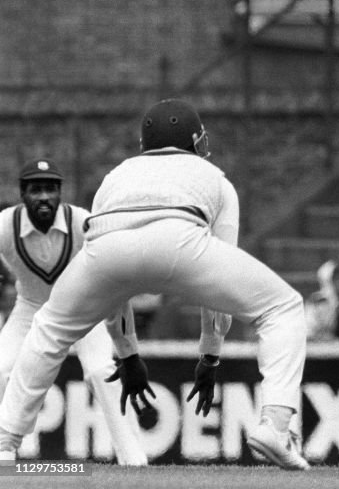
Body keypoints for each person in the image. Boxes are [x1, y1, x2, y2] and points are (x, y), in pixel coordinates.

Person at [0, 100, 309, 470]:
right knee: (282, 307)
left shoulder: (114, 177)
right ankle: (275, 424)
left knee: (47, 330)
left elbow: (113, 291)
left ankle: (5, 439)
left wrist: (128, 354)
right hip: (180, 242)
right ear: (195, 141)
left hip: (107, 252)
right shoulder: (216, 179)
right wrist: (209, 356)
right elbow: (220, 297)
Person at [0, 160, 147, 466]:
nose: (44, 197)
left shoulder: (84, 223)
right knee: (1, 368)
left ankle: (134, 461)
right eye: (36, 189)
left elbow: (114, 273)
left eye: (51, 189)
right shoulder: (5, 225)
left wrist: (125, 344)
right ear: (22, 194)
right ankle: (3, 454)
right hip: (31, 306)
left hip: (82, 309)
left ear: (61, 193)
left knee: (100, 371)